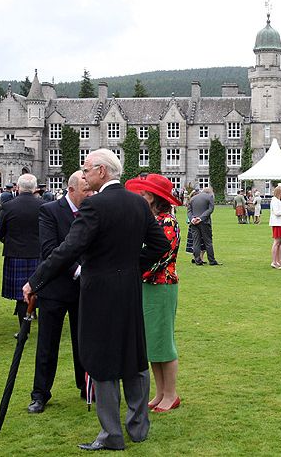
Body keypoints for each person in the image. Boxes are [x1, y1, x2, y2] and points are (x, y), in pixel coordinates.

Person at [23, 149, 169, 451]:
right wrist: (130, 267)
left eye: (87, 169)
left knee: (102, 361)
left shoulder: (94, 206)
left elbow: (67, 250)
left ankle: (112, 435)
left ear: (102, 171)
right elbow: (160, 245)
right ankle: (138, 427)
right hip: (128, 288)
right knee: (134, 354)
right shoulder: (138, 204)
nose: (84, 175)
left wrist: (35, 281)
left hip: (99, 291)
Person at [28, 171, 92, 414]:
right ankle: (40, 394)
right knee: (47, 343)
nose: (90, 194)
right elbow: (49, 250)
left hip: (83, 289)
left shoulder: (90, 211)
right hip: (55, 288)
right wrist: (77, 270)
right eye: (86, 190)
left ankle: (85, 386)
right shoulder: (50, 211)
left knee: (83, 341)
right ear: (72, 189)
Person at [125, 173, 183, 413]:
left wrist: (136, 272)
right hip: (149, 285)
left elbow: (162, 257)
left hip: (161, 285)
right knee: (153, 343)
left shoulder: (167, 221)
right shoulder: (154, 220)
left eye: (143, 193)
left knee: (163, 342)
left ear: (151, 197)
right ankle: (160, 393)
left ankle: (171, 394)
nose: (139, 195)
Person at [0, 174, 45, 332]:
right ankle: (35, 318)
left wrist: (11, 243)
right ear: (35, 188)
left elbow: (0, 232)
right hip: (37, 253)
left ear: (18, 187)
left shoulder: (8, 206)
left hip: (15, 253)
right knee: (38, 288)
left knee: (20, 294)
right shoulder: (44, 205)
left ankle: (24, 326)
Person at [189, 187, 220, 266]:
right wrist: (201, 218)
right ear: (210, 192)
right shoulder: (210, 197)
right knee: (208, 242)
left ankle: (197, 260)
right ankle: (212, 260)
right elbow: (211, 209)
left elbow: (189, 211)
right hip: (204, 222)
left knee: (196, 242)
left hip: (194, 223)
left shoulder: (193, 198)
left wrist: (192, 219)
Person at [269, 185, 281, 269]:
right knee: (277, 242)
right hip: (278, 224)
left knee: (280, 243)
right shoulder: (275, 200)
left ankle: (278, 261)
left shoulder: (279, 200)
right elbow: (276, 212)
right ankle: (274, 262)